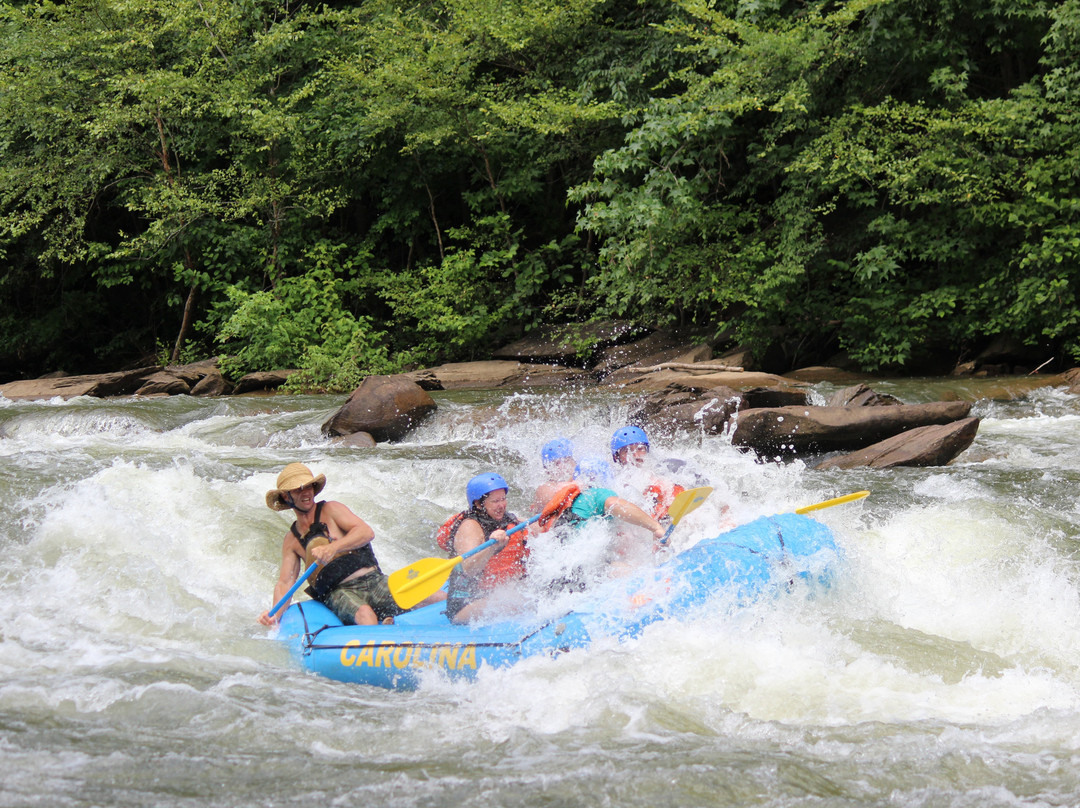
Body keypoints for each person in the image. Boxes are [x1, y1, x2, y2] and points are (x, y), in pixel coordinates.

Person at [257, 463, 421, 627]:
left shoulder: (331, 509)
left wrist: (333, 548)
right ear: (286, 497)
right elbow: (285, 582)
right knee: (365, 614)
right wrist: (274, 615)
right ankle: (380, 633)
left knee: (427, 596)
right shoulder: (292, 540)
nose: (306, 492)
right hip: (339, 592)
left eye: (309, 486)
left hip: (374, 581)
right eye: (298, 489)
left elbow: (366, 532)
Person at [532, 456, 665, 588]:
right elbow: (615, 504)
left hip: (557, 574)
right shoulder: (596, 493)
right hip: (580, 571)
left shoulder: (572, 503)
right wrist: (655, 527)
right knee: (636, 575)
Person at [436, 473, 528, 623]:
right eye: (495, 501)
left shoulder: (508, 519)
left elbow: (536, 527)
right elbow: (469, 568)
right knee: (516, 603)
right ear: (479, 504)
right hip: (465, 604)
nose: (501, 505)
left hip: (491, 595)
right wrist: (492, 547)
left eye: (503, 499)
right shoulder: (469, 526)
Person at [610, 425, 687, 522]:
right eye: (627, 451)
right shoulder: (617, 482)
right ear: (617, 457)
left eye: (640, 449)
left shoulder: (657, 471)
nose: (636, 455)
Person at [530, 437, 576, 512]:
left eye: (566, 461)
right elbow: (558, 498)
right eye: (556, 463)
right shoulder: (545, 488)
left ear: (574, 462)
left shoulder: (581, 476)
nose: (562, 467)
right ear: (547, 470)